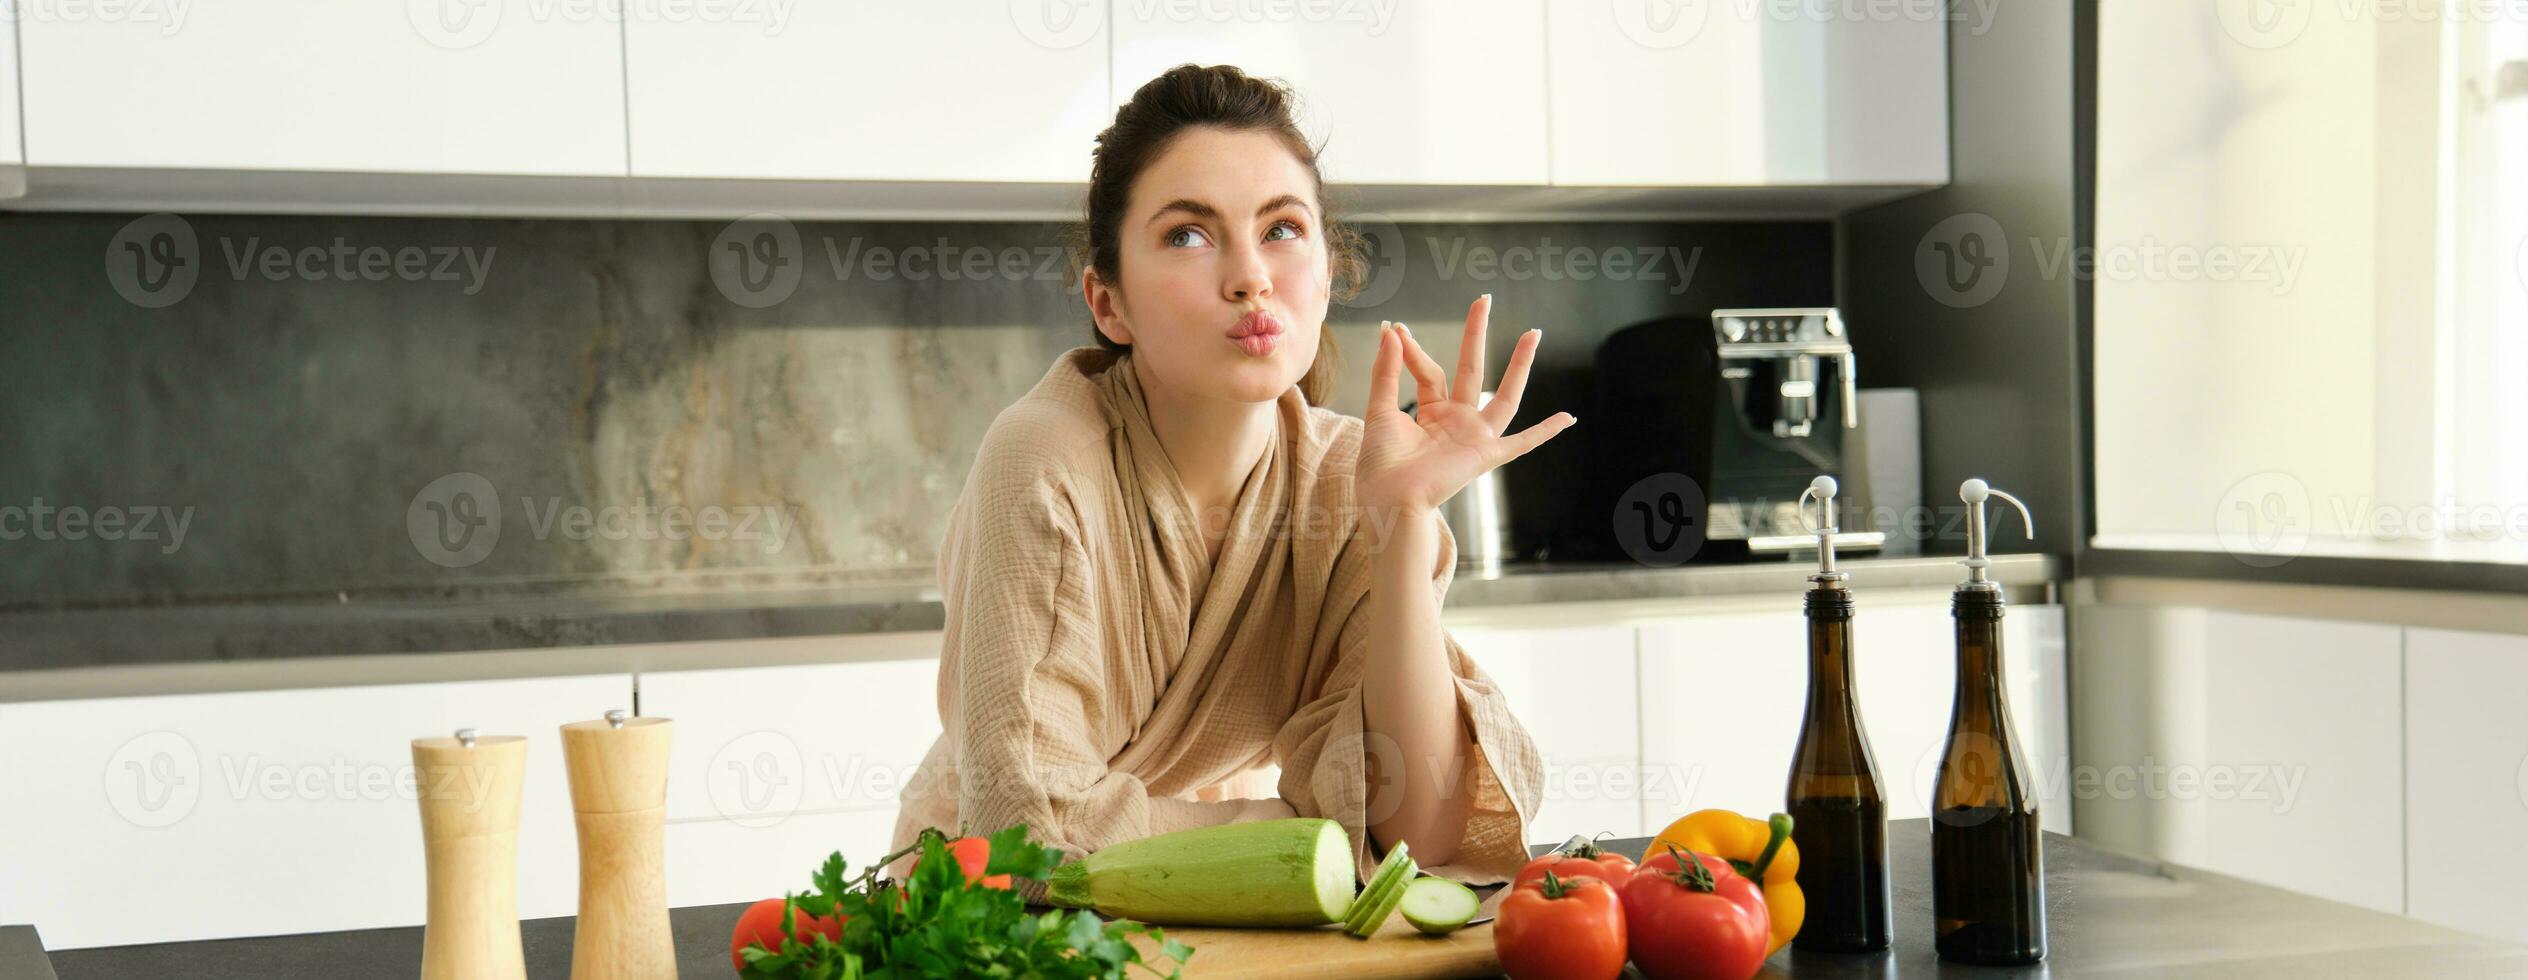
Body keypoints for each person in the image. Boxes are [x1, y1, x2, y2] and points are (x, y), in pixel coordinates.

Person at [889, 63, 1578, 903]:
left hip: (1240, 898)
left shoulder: (1345, 478)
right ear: (1109, 304)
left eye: (1283, 229)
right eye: (1188, 234)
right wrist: (1306, 834)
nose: (1251, 275)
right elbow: (1031, 837)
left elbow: (1422, 831)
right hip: (1004, 910)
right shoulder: (1041, 457)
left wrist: (1399, 527)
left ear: (1327, 273)